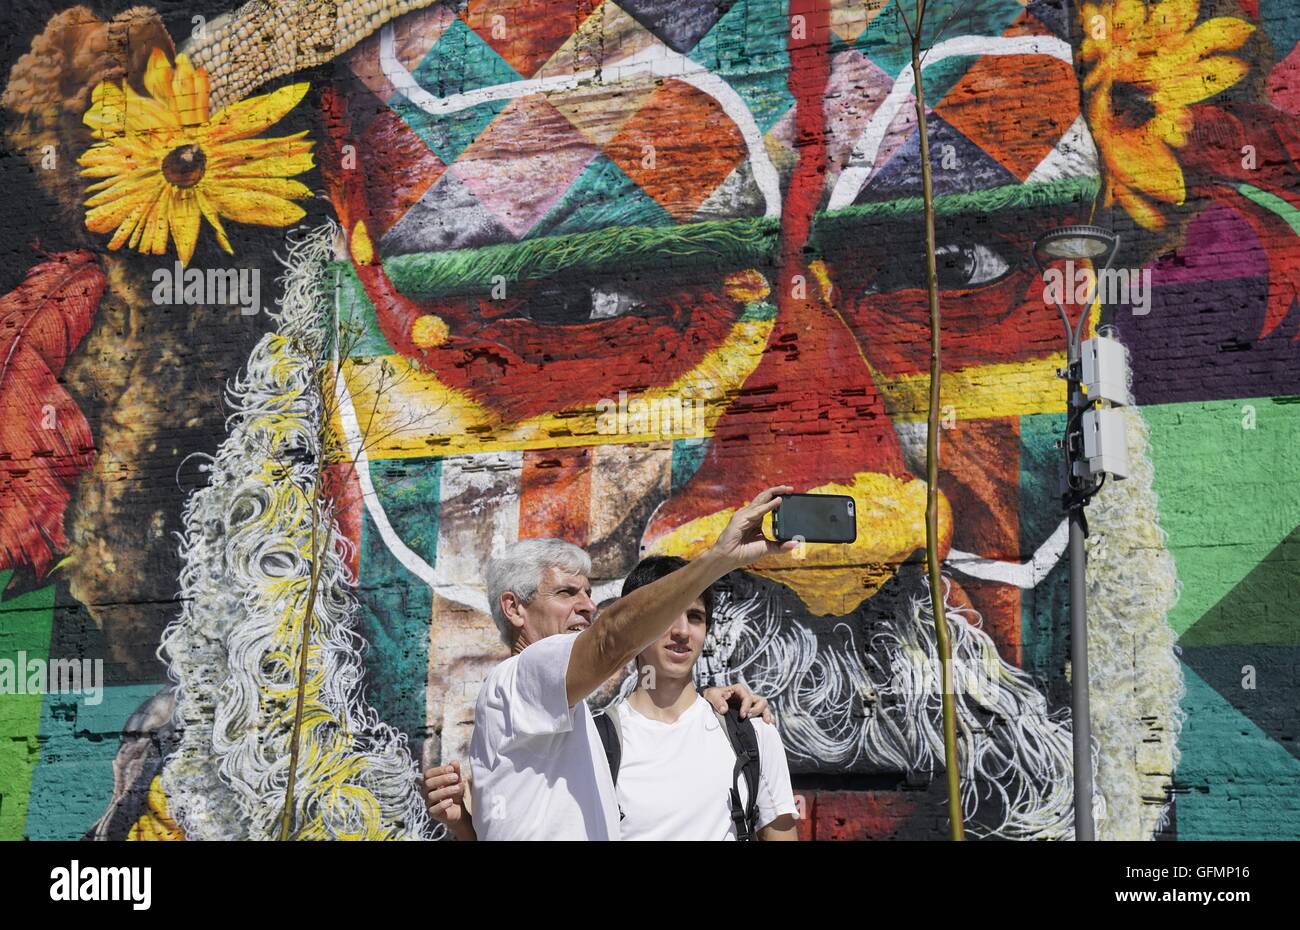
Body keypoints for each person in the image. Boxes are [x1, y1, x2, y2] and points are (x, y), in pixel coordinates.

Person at [428, 485, 796, 840]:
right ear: (514, 608)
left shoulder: (566, 711)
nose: (588, 606)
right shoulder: (524, 676)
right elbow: (609, 639)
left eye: (588, 593)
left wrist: (469, 828)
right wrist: (718, 559)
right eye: (566, 593)